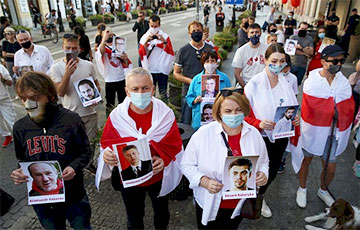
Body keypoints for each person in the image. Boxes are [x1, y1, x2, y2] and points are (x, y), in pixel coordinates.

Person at [100, 67, 183, 229]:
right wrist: (107, 155)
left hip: (158, 176)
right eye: (135, 89)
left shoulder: (165, 114)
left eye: (145, 88)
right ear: (127, 91)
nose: (140, 92)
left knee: (162, 213)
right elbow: (107, 144)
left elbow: (175, 145)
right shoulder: (117, 116)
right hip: (130, 180)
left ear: (153, 89)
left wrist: (163, 160)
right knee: (134, 217)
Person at [10, 72, 92, 229]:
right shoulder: (20, 127)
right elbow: (22, 159)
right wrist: (20, 172)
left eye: (35, 98)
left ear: (50, 96)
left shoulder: (71, 120)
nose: (29, 104)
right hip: (43, 200)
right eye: (23, 99)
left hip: (73, 194)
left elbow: (86, 152)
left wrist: (74, 167)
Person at [181, 87, 269, 228]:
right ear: (219, 112)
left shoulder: (254, 134)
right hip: (209, 202)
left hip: (239, 205)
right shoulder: (203, 134)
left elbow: (264, 161)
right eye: (228, 111)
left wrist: (263, 174)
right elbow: (186, 164)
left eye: (238, 110)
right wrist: (203, 181)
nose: (234, 115)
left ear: (245, 110)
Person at [296, 45, 355, 209]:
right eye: (334, 61)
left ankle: (323, 189)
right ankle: (302, 188)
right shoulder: (312, 81)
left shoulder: (343, 81)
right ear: (323, 61)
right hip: (313, 129)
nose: (339, 64)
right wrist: (332, 108)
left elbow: (348, 105)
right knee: (306, 159)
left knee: (330, 167)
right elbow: (311, 106)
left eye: (341, 61)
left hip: (333, 131)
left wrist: (337, 110)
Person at [244, 44, 299, 218]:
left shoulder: (286, 82)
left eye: (282, 61)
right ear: (265, 60)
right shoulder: (253, 85)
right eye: (274, 61)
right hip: (259, 137)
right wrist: (258, 123)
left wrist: (297, 119)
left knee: (272, 171)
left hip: (281, 137)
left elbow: (292, 107)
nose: (278, 65)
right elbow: (242, 116)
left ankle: (261, 195)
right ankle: (248, 198)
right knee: (255, 170)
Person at [50, 34, 101, 175]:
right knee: (72, 144)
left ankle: (89, 164)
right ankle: (74, 167)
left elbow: (97, 86)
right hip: (69, 114)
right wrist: (68, 73)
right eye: (68, 48)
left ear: (79, 48)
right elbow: (60, 92)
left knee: (90, 142)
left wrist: (96, 97)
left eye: (74, 48)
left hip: (89, 112)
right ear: (63, 48)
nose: (71, 51)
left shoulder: (88, 65)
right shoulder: (56, 68)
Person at [174, 21, 215, 125]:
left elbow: (215, 70)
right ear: (189, 33)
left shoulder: (210, 49)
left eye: (199, 31)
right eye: (194, 31)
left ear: (203, 32)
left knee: (207, 123)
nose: (196, 33)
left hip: (207, 95)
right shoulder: (183, 51)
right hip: (189, 94)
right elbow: (176, 73)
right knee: (186, 124)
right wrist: (192, 82)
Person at [186, 51, 231, 130]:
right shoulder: (196, 79)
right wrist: (195, 100)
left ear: (217, 63)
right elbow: (189, 97)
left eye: (212, 61)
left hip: (219, 118)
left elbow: (231, 96)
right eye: (207, 61)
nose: (210, 64)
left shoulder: (224, 78)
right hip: (199, 120)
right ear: (203, 63)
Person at [96, 28, 132, 115]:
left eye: (112, 36)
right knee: (110, 104)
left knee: (123, 102)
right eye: (109, 36)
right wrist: (104, 38)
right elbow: (100, 52)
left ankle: (124, 119)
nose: (110, 37)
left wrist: (125, 58)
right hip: (110, 80)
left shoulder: (119, 49)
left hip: (121, 78)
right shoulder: (104, 48)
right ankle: (109, 121)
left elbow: (126, 63)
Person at [139, 15, 174, 101]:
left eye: (156, 26)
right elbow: (141, 53)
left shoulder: (165, 36)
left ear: (159, 25)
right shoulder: (144, 37)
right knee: (150, 95)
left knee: (163, 94)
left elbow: (170, 53)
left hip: (162, 69)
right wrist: (146, 42)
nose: (154, 28)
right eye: (152, 26)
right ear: (149, 25)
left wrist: (164, 42)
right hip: (150, 70)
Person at [232, 23, 268, 88]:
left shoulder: (267, 49)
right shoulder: (241, 51)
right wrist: (245, 87)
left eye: (257, 32)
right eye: (252, 32)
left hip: (263, 85)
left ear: (260, 33)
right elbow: (237, 73)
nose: (254, 34)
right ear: (248, 35)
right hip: (247, 84)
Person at [0, 63, 16, 147]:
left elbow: (10, 83)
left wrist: (2, 78)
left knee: (12, 119)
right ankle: (7, 136)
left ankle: (20, 137)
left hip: (3, 98)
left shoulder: (0, 67)